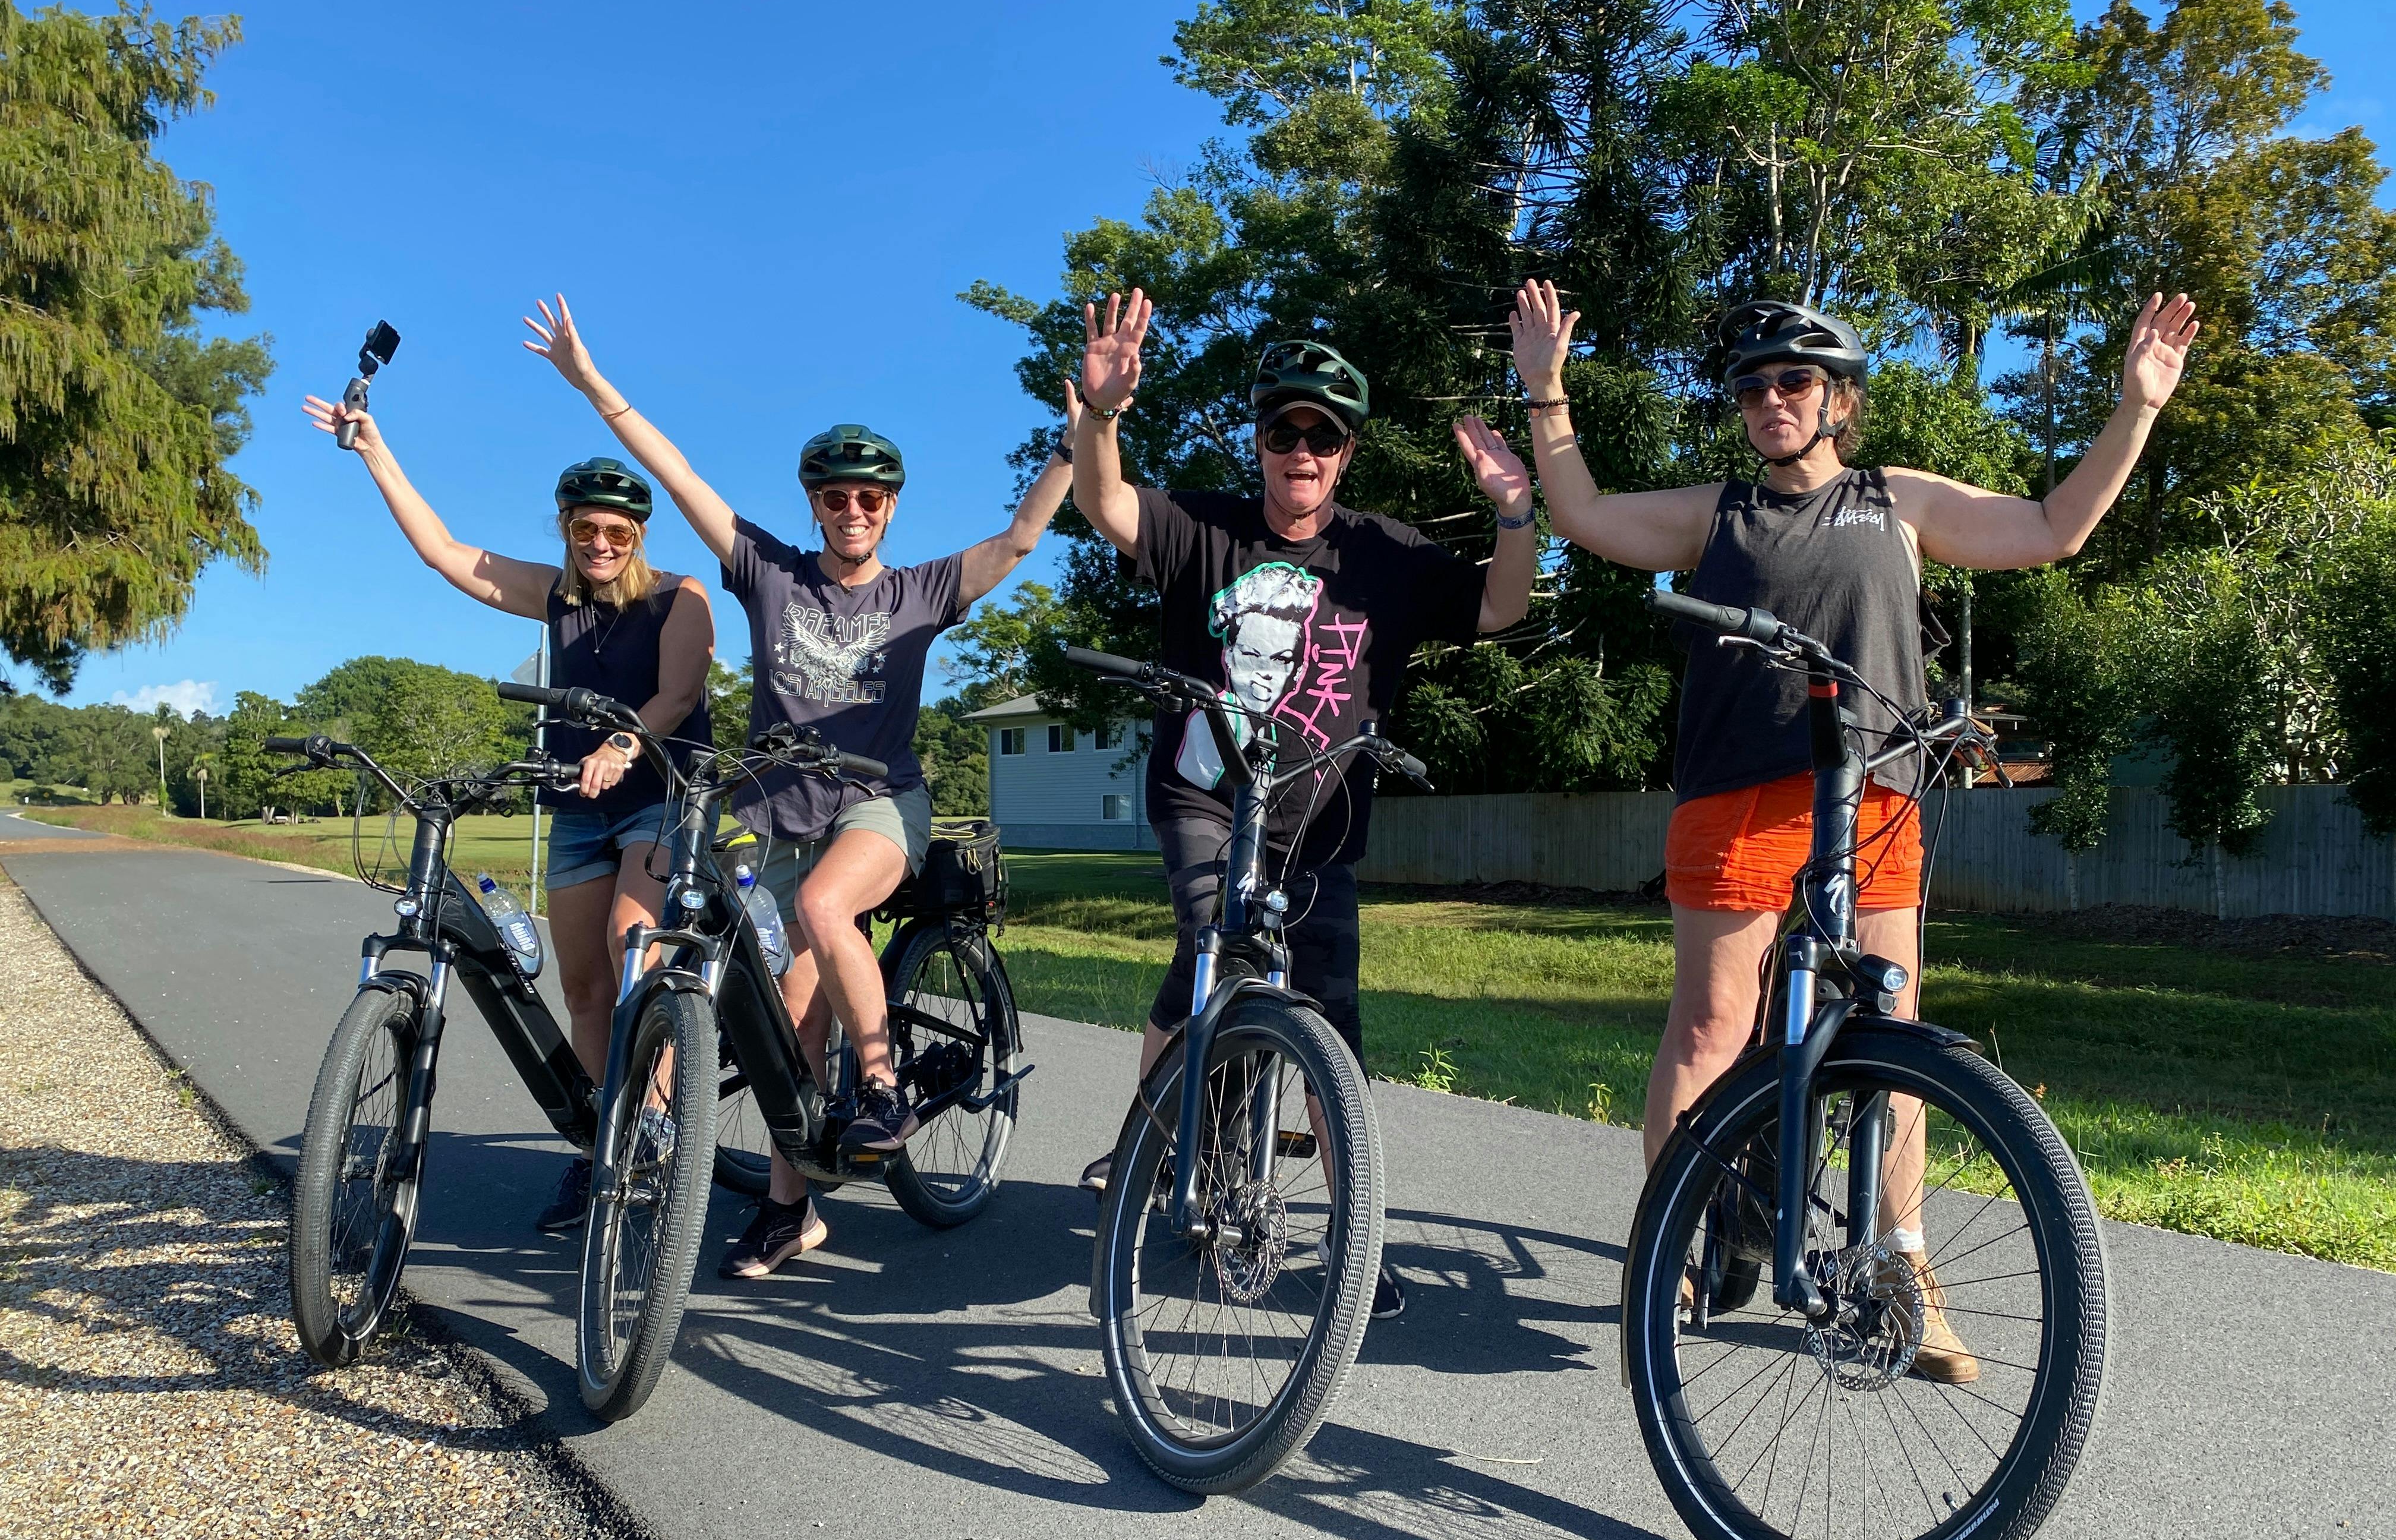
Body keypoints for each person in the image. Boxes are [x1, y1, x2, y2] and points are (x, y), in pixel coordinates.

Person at [1509, 277, 2199, 1380]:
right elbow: (1587, 520)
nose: (1771, 400)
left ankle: (1900, 1268)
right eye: (1753, 388)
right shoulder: (1718, 511)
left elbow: (2055, 530)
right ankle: (1673, 1253)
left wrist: (2138, 408)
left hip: (1875, 801)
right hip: (1737, 796)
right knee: (1709, 1032)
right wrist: (1548, 393)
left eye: (1795, 381)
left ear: (1840, 399)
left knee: (1896, 1032)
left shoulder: (1898, 500)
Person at [523, 294, 1079, 1279]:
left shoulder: (922, 591)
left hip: (876, 802)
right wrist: (592, 384)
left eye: (870, 498)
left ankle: (878, 1080)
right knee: (782, 1019)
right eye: (834, 497)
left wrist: (1085, 435)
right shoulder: (768, 572)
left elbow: (1022, 540)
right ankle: (792, 1209)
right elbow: (676, 474)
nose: (852, 510)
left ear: (892, 507)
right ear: (814, 505)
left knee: (829, 908)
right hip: (769, 815)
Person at [1072, 289, 1540, 1320]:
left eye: (1322, 435)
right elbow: (1105, 506)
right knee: (1210, 945)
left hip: (1320, 827)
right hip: (1206, 795)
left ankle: (1356, 1243)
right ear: (1261, 441)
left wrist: (1516, 513)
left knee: (1333, 1030)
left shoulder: (1387, 552)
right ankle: (1162, 1152)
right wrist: (1100, 418)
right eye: (1284, 429)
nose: (1302, 449)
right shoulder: (1205, 527)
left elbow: (1503, 605)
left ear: (1346, 453)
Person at [300, 396, 715, 1237]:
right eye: (585, 531)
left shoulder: (680, 597)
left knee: (631, 955)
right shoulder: (558, 596)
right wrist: (374, 449)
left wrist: (623, 746)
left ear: (639, 536)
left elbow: (678, 694)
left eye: (617, 534)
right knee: (582, 987)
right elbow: (445, 553)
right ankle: (602, 1145)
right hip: (576, 811)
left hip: (658, 800)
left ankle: (662, 1127)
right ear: (566, 529)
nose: (600, 546)